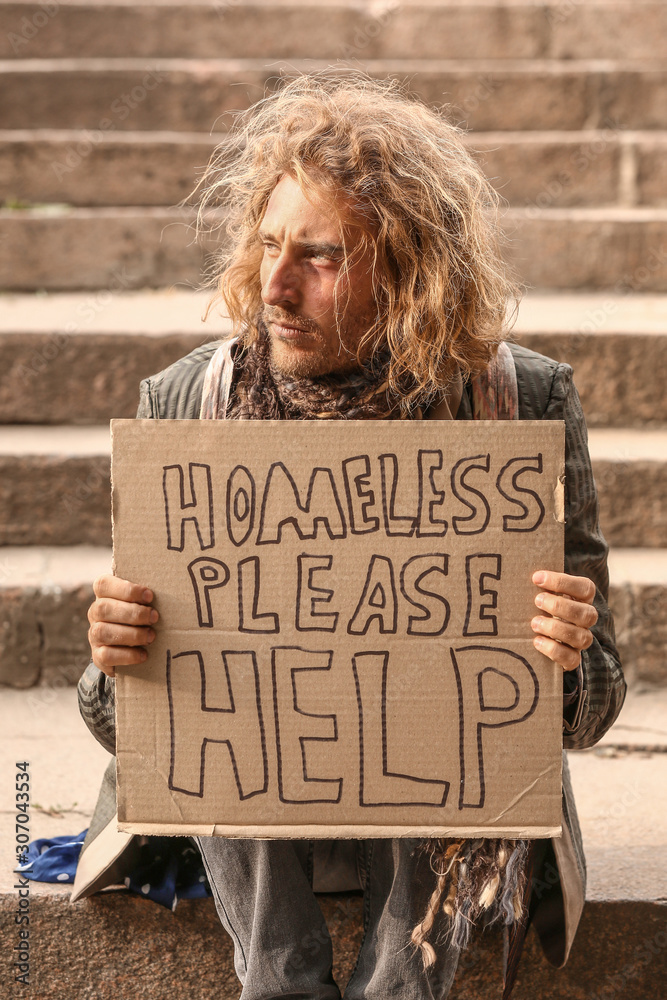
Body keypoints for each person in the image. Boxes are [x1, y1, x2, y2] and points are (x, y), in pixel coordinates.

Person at [76, 73, 625, 999]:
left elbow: (590, 711)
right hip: (261, 836)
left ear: (411, 273)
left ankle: (401, 989)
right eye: (268, 245)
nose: (276, 288)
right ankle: (279, 983)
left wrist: (563, 654)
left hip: (431, 822)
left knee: (435, 672)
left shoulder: (519, 402)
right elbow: (118, 725)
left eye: (321, 258)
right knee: (228, 664)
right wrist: (117, 657)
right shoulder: (189, 405)